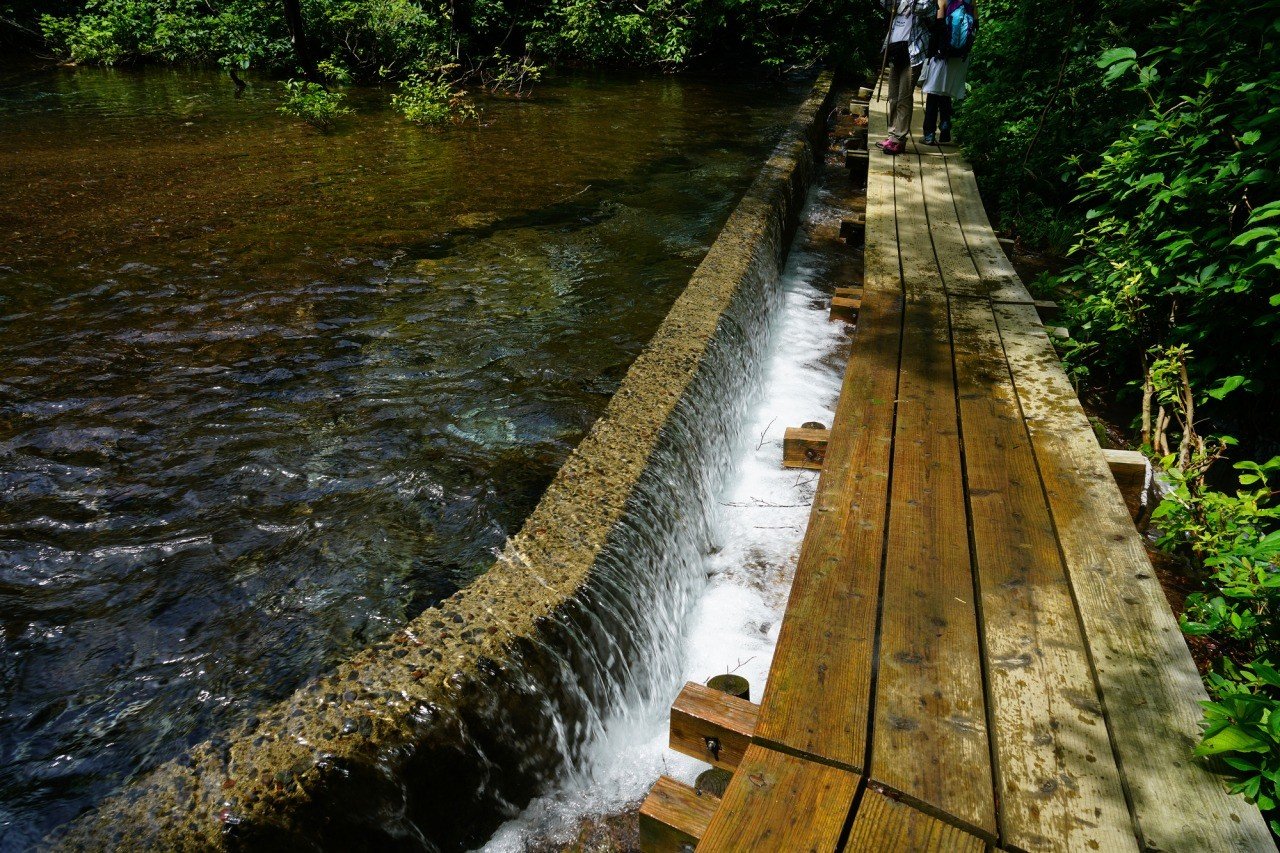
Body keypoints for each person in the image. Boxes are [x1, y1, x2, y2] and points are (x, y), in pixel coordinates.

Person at [875, 0, 937, 156]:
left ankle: (900, 140)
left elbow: (924, 9)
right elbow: (886, 4)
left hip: (913, 53)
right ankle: (892, 135)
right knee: (893, 97)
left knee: (904, 97)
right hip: (896, 50)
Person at [920, 0, 976, 145]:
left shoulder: (943, 0)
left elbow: (938, 27)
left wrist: (931, 53)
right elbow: (976, 25)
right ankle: (945, 128)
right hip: (960, 57)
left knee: (933, 93)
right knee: (946, 92)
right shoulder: (971, 1)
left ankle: (929, 134)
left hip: (942, 55)